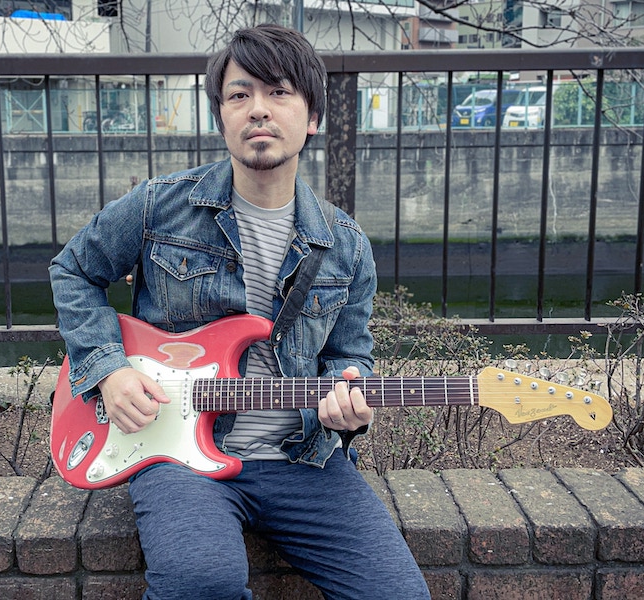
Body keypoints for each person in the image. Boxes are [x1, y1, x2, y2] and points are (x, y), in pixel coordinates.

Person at [50, 23, 430, 600]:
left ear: (313, 117)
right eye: (239, 94)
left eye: (279, 92)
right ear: (220, 116)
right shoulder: (158, 206)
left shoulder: (346, 244)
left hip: (302, 459)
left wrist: (349, 398)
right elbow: (73, 270)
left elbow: (348, 356)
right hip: (176, 454)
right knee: (200, 582)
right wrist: (110, 369)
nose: (258, 109)